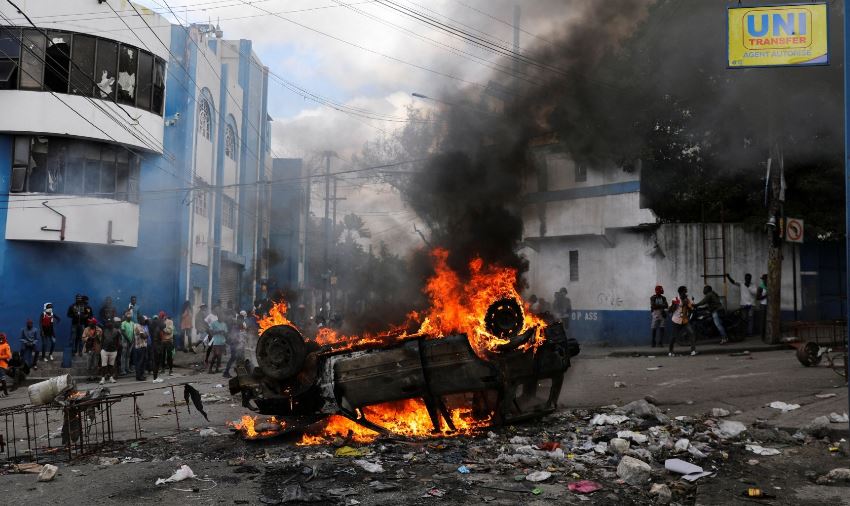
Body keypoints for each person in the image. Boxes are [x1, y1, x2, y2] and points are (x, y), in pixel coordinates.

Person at [669, 285, 696, 356]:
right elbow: (670, 310)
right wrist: (674, 306)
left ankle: (693, 351)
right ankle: (670, 351)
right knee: (674, 336)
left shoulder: (687, 300)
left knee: (691, 333)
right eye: (684, 292)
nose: (686, 293)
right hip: (676, 320)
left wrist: (688, 304)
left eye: (686, 292)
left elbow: (691, 309)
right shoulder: (675, 300)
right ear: (680, 292)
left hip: (685, 320)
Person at [727, 273, 757, 337]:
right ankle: (744, 332)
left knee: (750, 319)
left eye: (749, 278)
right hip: (743, 304)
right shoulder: (741, 283)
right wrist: (728, 277)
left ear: (750, 279)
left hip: (751, 305)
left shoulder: (753, 285)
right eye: (746, 278)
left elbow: (755, 293)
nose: (747, 279)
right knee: (743, 319)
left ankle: (750, 333)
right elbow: (733, 282)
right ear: (745, 278)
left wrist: (748, 287)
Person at [223, 311, 248, 378]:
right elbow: (233, 337)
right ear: (238, 320)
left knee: (240, 358)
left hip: (240, 345)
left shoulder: (242, 326)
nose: (241, 321)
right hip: (234, 345)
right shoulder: (235, 327)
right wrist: (239, 341)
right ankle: (226, 372)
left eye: (242, 320)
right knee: (233, 358)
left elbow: (244, 335)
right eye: (240, 320)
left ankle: (240, 372)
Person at [99, 319, 120, 384]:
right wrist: (102, 348)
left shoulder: (116, 331)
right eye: (108, 322)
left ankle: (111, 378)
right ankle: (103, 378)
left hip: (113, 351)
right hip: (105, 350)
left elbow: (118, 341)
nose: (109, 324)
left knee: (111, 365)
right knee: (104, 365)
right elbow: (102, 340)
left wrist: (116, 348)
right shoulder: (104, 331)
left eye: (111, 322)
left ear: (113, 323)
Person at [157, 311, 175, 376]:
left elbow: (170, 331)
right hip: (162, 341)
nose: (161, 319)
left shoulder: (170, 322)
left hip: (169, 341)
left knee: (169, 356)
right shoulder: (160, 322)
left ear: (165, 316)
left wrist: (163, 329)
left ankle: (170, 370)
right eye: (160, 318)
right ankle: (163, 369)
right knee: (162, 356)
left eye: (162, 317)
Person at [120, 312, 135, 376]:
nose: (129, 318)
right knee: (123, 356)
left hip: (131, 342)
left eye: (130, 317)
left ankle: (127, 368)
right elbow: (123, 332)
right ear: (126, 317)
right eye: (128, 317)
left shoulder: (132, 323)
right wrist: (129, 340)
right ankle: (123, 370)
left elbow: (134, 332)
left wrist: (132, 340)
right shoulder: (123, 323)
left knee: (128, 355)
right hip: (125, 342)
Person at [134, 316, 149, 381]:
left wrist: (146, 335)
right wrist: (146, 335)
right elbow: (143, 336)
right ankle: (139, 376)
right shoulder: (137, 326)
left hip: (144, 346)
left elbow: (147, 335)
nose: (144, 321)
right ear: (140, 320)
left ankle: (142, 375)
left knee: (143, 362)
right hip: (139, 347)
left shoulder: (142, 326)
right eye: (143, 320)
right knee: (139, 362)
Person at [757, 274, 768, 340]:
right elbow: (758, 298)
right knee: (763, 321)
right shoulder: (761, 287)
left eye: (766, 279)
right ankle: (762, 336)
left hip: (769, 306)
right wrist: (766, 296)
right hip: (763, 305)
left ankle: (767, 335)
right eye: (764, 279)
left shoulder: (770, 286)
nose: (765, 280)